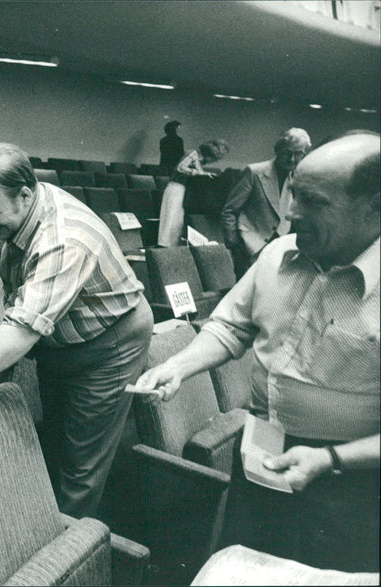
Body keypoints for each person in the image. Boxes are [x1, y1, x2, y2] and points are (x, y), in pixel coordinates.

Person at [136, 132, 380, 572]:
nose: (290, 212)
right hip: (261, 447)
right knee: (248, 562)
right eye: (292, 194)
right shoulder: (277, 254)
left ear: (375, 207)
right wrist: (178, 365)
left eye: (313, 201)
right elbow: (231, 326)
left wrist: (330, 459)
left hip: (351, 478)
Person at [0, 143, 154, 519]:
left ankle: (67, 555)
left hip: (111, 345)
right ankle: (45, 527)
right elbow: (20, 300)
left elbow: (24, 328)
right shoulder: (16, 206)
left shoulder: (62, 238)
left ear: (25, 194)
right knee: (56, 441)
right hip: (62, 339)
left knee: (81, 467)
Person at [221, 128, 311, 275]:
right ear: (278, 150)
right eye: (287, 153)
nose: (292, 159)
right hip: (249, 247)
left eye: (298, 154)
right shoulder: (253, 172)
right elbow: (230, 210)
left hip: (279, 248)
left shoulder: (299, 178)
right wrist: (234, 243)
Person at [157, 138, 230, 247]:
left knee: (177, 222)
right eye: (215, 159)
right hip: (175, 188)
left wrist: (204, 173)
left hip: (183, 189)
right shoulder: (192, 153)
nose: (214, 162)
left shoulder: (199, 160)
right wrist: (198, 173)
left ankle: (172, 249)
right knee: (170, 222)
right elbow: (180, 168)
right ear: (210, 154)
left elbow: (198, 172)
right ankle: (164, 249)